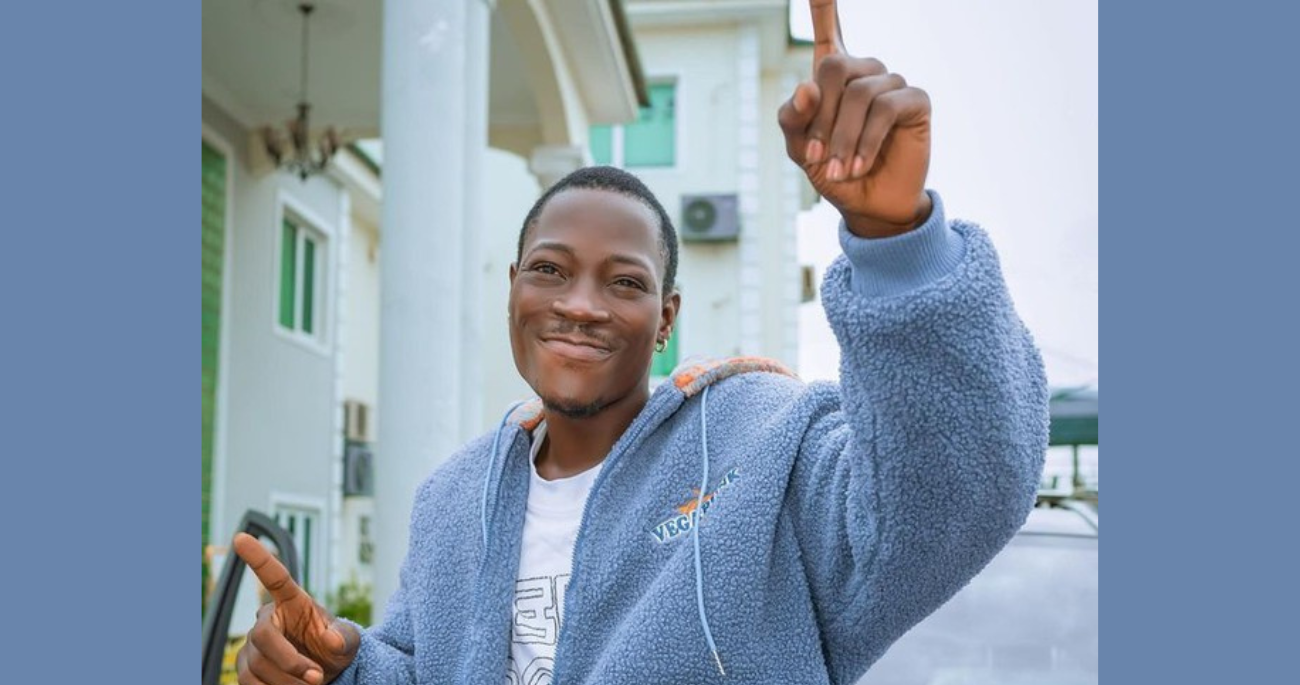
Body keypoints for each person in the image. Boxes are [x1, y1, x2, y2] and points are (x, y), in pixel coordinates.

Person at [232, 2, 1048, 683]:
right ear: (514, 286)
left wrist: (895, 240)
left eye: (624, 282)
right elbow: (420, 668)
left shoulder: (763, 444)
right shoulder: (453, 499)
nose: (580, 305)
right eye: (550, 270)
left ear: (666, 317)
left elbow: (951, 501)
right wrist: (341, 666)